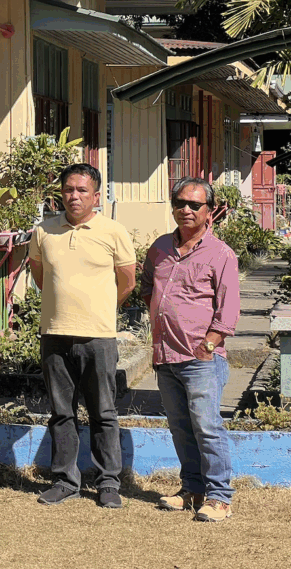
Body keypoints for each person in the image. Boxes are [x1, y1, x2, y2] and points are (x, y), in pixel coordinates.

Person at [28, 163, 136, 508]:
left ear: (96, 196)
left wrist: (100, 309)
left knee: (103, 412)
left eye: (82, 190)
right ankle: (65, 481)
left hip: (98, 338)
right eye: (68, 189)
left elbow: (127, 282)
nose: (74, 196)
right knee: (62, 413)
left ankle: (108, 483)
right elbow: (41, 276)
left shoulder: (113, 232)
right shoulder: (43, 231)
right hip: (54, 334)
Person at [141, 178, 240, 523]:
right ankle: (192, 490)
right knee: (181, 428)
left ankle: (219, 497)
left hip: (201, 359)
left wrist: (207, 346)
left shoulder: (220, 254)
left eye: (195, 205)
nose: (186, 209)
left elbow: (228, 310)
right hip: (165, 356)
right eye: (180, 203)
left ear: (209, 211)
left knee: (207, 427)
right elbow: (147, 286)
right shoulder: (159, 248)